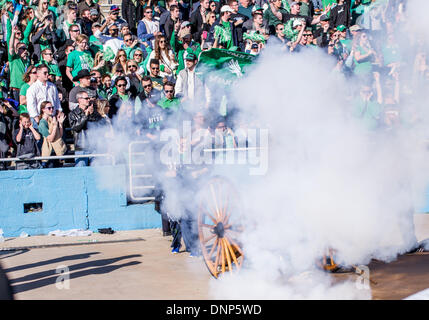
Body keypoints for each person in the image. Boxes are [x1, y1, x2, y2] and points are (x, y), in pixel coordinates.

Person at [68, 90, 101, 166]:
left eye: (89, 98)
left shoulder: (93, 111)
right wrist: (85, 116)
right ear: (79, 100)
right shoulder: (73, 114)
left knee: (96, 169)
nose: (88, 100)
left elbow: (99, 125)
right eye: (86, 98)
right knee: (81, 170)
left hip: (94, 146)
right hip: (81, 147)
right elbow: (76, 127)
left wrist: (92, 114)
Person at [38, 101, 67, 168]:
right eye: (49, 108)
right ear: (43, 110)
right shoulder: (42, 123)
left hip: (56, 151)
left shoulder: (52, 119)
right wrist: (54, 126)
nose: (52, 109)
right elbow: (50, 139)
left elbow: (60, 135)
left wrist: (60, 124)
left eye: (52, 108)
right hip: (49, 153)